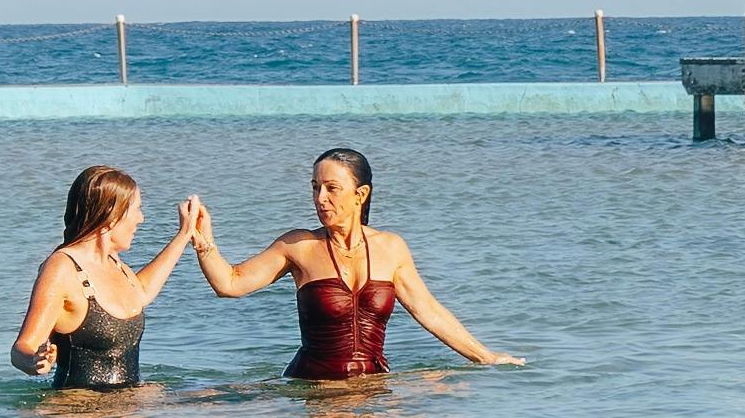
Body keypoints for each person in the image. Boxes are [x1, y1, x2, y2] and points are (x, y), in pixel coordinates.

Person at [198, 147, 517, 374]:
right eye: (315, 188)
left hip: (373, 389)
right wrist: (203, 243)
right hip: (315, 389)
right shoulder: (299, 246)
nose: (320, 198)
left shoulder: (391, 248)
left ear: (360, 195)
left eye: (331, 188)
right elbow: (231, 283)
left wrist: (485, 357)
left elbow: (429, 311)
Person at [10, 165, 205, 388]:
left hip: (127, 408)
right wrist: (33, 360)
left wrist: (184, 234)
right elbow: (22, 348)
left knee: (213, 399)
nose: (141, 219)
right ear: (113, 215)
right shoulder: (62, 267)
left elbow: (142, 291)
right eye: (137, 210)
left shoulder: (115, 265)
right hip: (79, 413)